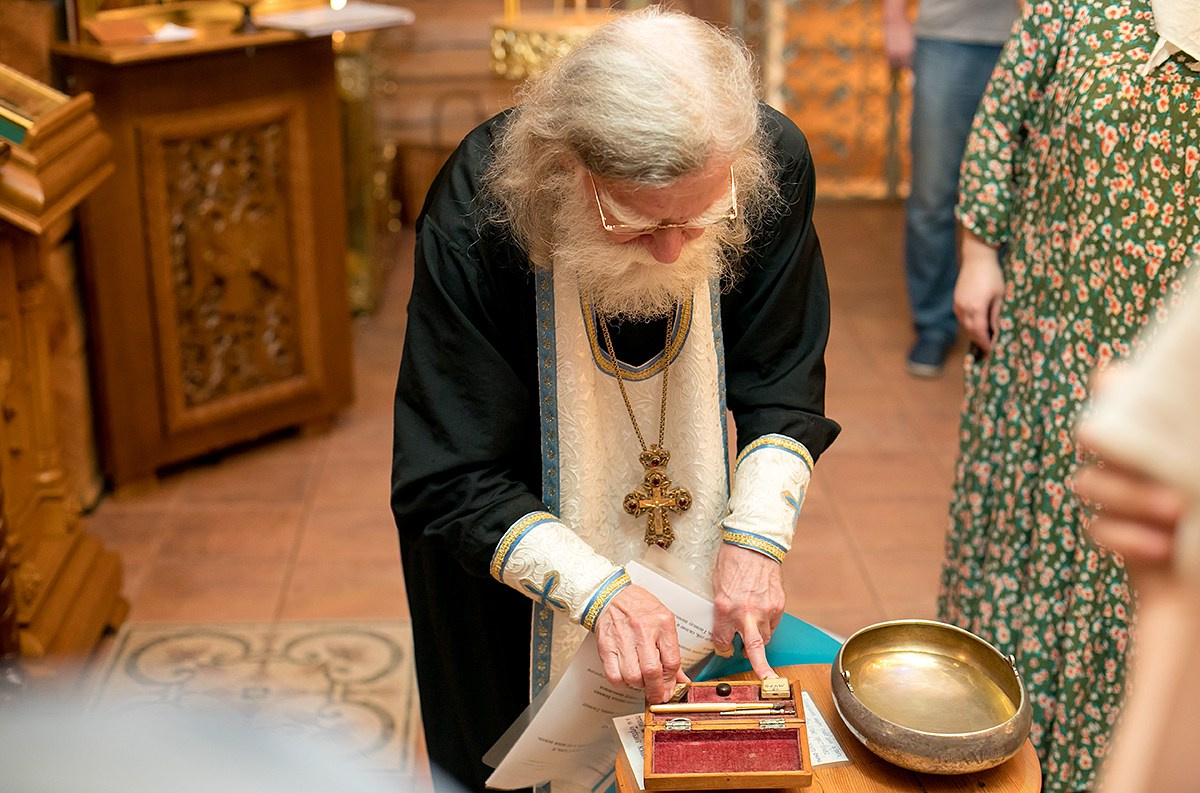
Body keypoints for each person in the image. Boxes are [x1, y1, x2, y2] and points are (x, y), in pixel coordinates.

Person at [391, 8, 840, 792]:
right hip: (514, 599)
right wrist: (596, 591)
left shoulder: (769, 166)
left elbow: (782, 372)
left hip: (694, 571)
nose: (675, 249)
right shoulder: (478, 211)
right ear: (569, 169)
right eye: (636, 220)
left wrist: (757, 541)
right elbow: (449, 469)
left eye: (701, 217)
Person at [941, 0, 1200, 789]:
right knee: (1028, 535)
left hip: (1167, 364)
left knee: (1130, 570)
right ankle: (978, 746)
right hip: (1048, 336)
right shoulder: (1080, 5)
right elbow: (998, 124)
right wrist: (980, 252)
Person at [882, 0, 1018, 377]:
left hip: (1025, 38)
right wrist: (894, 18)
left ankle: (1001, 323)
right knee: (932, 194)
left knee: (1017, 191)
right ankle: (933, 326)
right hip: (944, 38)